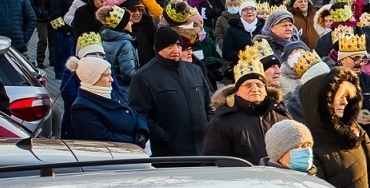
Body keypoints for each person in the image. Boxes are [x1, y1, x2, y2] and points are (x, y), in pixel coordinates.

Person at [129, 28, 211, 157]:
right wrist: (163, 137)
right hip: (170, 152)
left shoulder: (195, 70)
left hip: (203, 148)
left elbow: (209, 103)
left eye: (178, 45)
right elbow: (139, 113)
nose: (175, 50)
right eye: (169, 46)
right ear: (157, 48)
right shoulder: (143, 77)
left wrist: (209, 127)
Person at [202, 49, 289, 164]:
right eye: (248, 85)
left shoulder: (281, 115)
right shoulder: (222, 122)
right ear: (237, 91)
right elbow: (212, 163)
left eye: (259, 85)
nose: (255, 89)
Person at [67, 56, 148, 145]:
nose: (111, 79)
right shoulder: (82, 107)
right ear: (93, 79)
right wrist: (134, 141)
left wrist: (142, 131)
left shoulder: (109, 92)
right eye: (106, 75)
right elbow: (101, 137)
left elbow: (133, 112)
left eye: (110, 74)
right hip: (118, 154)